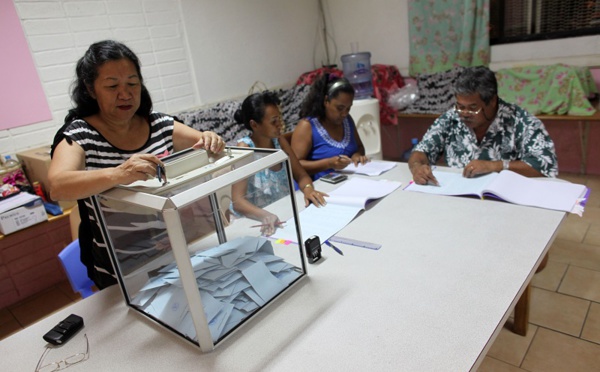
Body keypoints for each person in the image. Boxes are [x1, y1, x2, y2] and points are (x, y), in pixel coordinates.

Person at [48, 40, 225, 289]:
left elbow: (210, 147)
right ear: (90, 89)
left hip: (172, 247)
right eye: (112, 86)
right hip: (119, 266)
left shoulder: (160, 125)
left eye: (132, 83)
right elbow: (57, 186)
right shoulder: (79, 135)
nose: (125, 93)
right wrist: (119, 173)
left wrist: (212, 140)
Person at [408, 66, 558, 186]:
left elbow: (545, 165)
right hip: (458, 196)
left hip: (505, 200)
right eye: (460, 106)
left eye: (473, 108)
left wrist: (495, 166)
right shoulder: (451, 118)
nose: (464, 113)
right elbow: (421, 151)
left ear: (492, 101)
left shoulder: (521, 121)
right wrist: (417, 167)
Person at [231, 91, 327, 235]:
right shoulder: (245, 149)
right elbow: (238, 202)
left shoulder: (279, 142)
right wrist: (264, 215)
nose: (280, 125)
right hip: (254, 222)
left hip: (282, 213)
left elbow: (301, 176)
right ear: (254, 125)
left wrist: (308, 189)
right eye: (274, 121)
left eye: (280, 119)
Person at [291, 74, 369, 181]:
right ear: (326, 101)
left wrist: (357, 155)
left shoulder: (347, 120)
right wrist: (328, 163)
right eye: (340, 108)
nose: (344, 113)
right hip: (319, 188)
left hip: (348, 182)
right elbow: (295, 166)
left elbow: (360, 147)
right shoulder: (307, 126)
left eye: (348, 108)